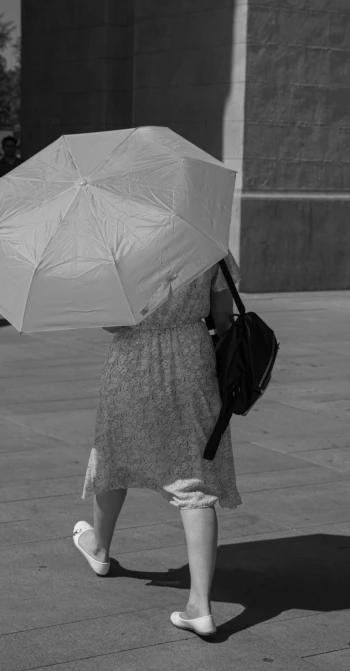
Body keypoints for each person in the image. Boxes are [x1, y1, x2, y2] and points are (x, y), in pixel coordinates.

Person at [73, 252, 242, 637]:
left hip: (132, 363)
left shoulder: (127, 249)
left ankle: (99, 550)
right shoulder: (209, 244)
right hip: (193, 362)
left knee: (114, 455)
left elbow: (113, 324)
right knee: (193, 480)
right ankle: (199, 606)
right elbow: (221, 319)